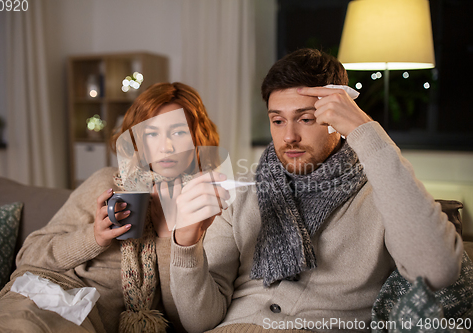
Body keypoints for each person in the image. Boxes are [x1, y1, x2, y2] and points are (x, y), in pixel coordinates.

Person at [167, 48, 464, 332]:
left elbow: (437, 271)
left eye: (306, 119)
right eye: (277, 120)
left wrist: (364, 129)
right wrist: (186, 243)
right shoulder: (241, 191)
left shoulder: (383, 191)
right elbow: (199, 321)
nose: (289, 136)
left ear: (336, 118)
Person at [0, 82, 219, 333]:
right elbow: (29, 255)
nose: (166, 146)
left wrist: (167, 236)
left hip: (84, 320)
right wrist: (94, 236)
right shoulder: (108, 180)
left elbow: (182, 317)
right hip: (36, 295)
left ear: (197, 137)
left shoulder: (205, 205)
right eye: (152, 133)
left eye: (178, 132)